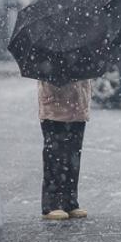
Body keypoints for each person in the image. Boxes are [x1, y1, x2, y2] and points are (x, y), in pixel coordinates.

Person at [38, 80, 91, 220]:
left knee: (73, 155)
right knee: (55, 155)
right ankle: (52, 204)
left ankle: (70, 201)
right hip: (54, 107)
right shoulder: (51, 61)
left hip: (78, 107)